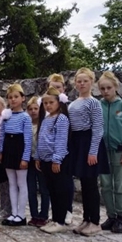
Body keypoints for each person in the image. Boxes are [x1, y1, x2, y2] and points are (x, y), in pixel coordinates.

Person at [69, 68, 109, 237]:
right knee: (84, 184)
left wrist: (93, 152)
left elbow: (98, 128)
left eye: (85, 81)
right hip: (77, 143)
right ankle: (86, 219)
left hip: (89, 143)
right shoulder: (73, 103)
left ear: (91, 82)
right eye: (79, 81)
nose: (82, 83)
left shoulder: (94, 103)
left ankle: (94, 221)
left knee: (91, 184)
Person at [98, 71, 122, 234]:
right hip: (102, 151)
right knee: (105, 185)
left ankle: (120, 218)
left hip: (119, 151)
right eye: (102, 88)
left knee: (119, 186)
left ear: (116, 87)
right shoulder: (98, 105)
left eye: (108, 87)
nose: (106, 91)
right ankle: (111, 216)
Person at [35, 87, 71, 234]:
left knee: (59, 190)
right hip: (44, 160)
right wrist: (37, 156)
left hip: (55, 161)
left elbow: (61, 141)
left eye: (51, 102)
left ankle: (60, 220)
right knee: (51, 190)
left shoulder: (61, 119)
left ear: (58, 102)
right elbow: (40, 139)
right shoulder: (45, 119)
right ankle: (55, 218)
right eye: (45, 103)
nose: (48, 106)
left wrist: (57, 160)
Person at [0, 83, 32, 227]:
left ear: (23, 98)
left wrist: (25, 157)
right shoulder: (6, 116)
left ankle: (21, 214)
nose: (13, 100)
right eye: (10, 97)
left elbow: (28, 139)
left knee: (21, 183)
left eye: (16, 97)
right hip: (8, 148)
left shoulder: (26, 117)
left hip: (19, 148)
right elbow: (1, 135)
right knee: (11, 183)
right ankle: (13, 212)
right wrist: (1, 151)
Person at [47, 73, 73, 224]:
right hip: (50, 151)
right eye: (52, 87)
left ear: (63, 89)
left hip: (65, 149)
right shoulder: (48, 108)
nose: (55, 89)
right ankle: (56, 210)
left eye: (58, 87)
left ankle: (67, 210)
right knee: (54, 184)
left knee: (65, 181)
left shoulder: (66, 110)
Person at [26, 96, 50, 227]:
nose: (33, 111)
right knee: (31, 188)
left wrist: (39, 157)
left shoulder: (44, 123)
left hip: (41, 159)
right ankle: (34, 215)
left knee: (44, 188)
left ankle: (44, 215)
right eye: (30, 109)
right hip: (29, 159)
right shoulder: (27, 124)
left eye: (36, 108)